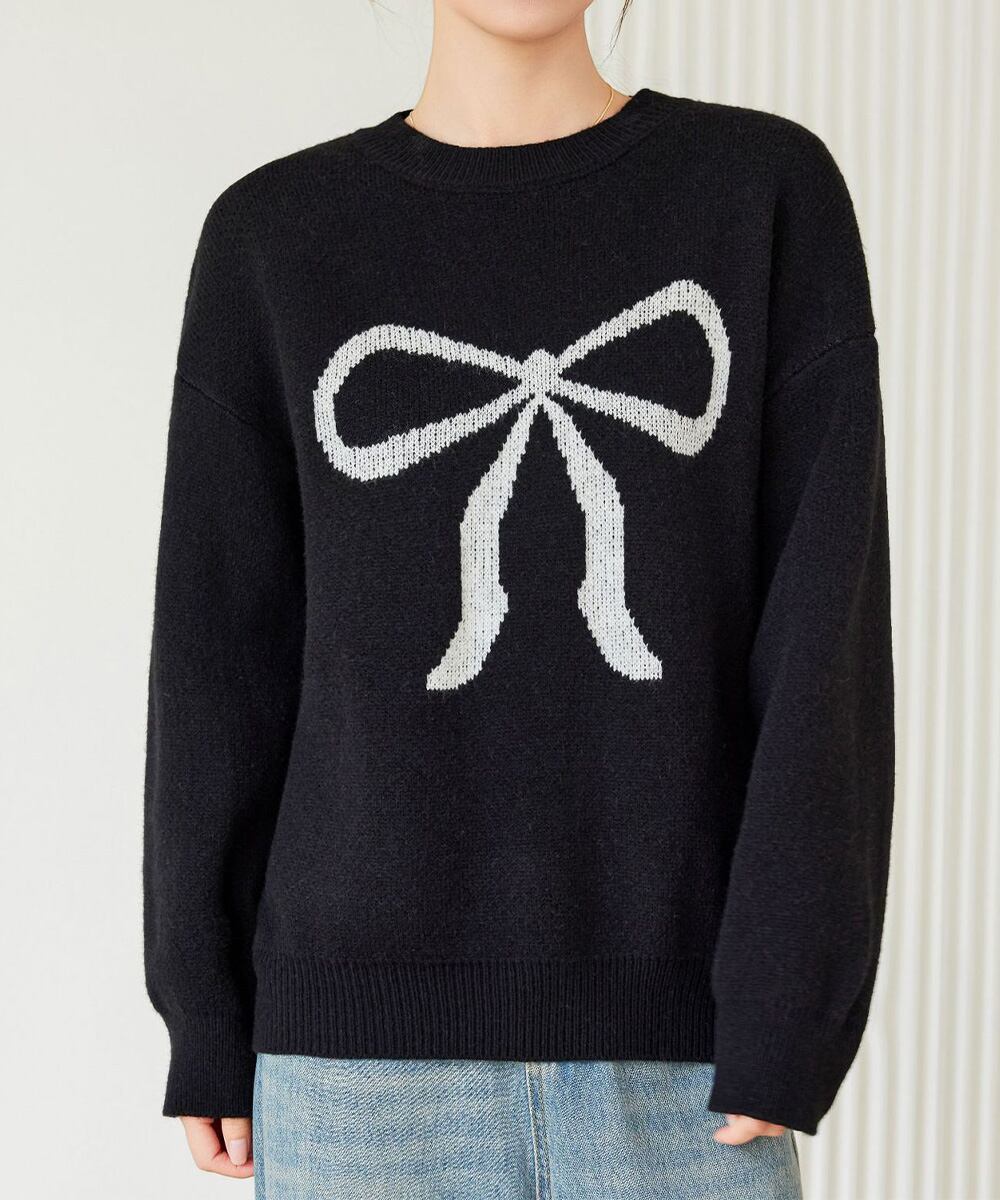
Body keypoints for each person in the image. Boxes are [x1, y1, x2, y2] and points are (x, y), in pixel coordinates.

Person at [143, 1, 895, 1195]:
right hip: (350, 1069)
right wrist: (203, 1006)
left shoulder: (761, 194)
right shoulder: (274, 235)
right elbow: (217, 653)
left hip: (685, 1067)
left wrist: (787, 1000)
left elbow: (824, 634)